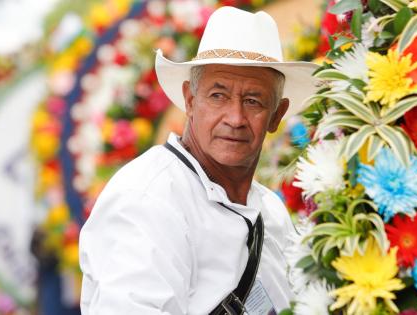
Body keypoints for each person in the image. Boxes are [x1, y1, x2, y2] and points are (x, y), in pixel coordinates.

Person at [79, 6, 318, 315]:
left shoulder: (270, 211)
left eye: (253, 101)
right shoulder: (149, 199)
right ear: (190, 101)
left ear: (277, 115)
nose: (235, 118)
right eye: (218, 96)